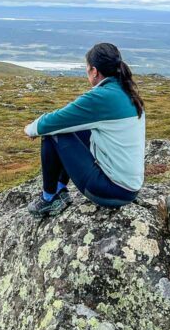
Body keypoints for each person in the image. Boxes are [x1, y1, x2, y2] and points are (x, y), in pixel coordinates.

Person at [23, 42, 146, 218]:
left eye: (87, 69)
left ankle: (49, 198)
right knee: (74, 128)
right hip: (129, 188)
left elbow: (52, 122)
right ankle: (59, 189)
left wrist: (30, 129)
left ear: (94, 71)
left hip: (111, 191)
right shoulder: (125, 90)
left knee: (54, 132)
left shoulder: (102, 96)